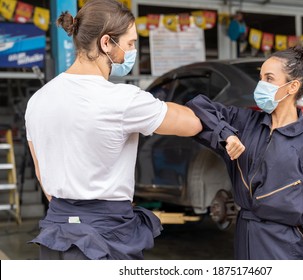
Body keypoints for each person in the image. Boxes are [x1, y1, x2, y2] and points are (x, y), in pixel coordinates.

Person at [25, 0, 202, 260]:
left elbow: (43, 176)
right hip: (104, 235)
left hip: (56, 232)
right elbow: (192, 124)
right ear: (106, 43)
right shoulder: (122, 99)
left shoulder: (38, 99)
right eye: (129, 44)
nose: (131, 52)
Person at [186, 45, 303, 260]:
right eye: (260, 77)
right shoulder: (244, 123)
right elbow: (198, 105)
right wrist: (227, 134)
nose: (261, 84)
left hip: (283, 248)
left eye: (269, 78)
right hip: (245, 237)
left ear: (292, 86)